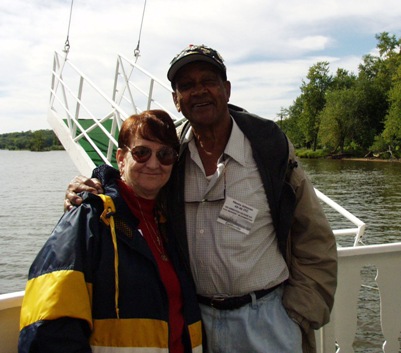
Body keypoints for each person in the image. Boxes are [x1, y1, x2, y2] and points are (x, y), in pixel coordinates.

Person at [65, 45, 338, 353]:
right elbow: (135, 181)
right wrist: (96, 180)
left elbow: (313, 235)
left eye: (208, 80)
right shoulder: (172, 153)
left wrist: (300, 313)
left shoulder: (268, 147)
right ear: (176, 101)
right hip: (197, 324)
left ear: (227, 89)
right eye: (186, 86)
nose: (199, 91)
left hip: (268, 318)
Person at [19, 110, 202, 353]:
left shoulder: (167, 221)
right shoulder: (90, 217)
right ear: (121, 158)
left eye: (165, 154)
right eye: (142, 152)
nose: (154, 163)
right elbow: (49, 326)